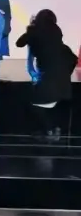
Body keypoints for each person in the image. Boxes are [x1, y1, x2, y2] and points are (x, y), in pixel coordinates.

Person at [16, 10, 78, 141]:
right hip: (62, 83)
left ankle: (50, 131)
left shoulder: (35, 31)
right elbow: (73, 59)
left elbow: (19, 43)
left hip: (49, 80)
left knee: (34, 104)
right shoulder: (59, 38)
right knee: (51, 105)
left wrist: (31, 29)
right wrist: (65, 74)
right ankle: (54, 129)